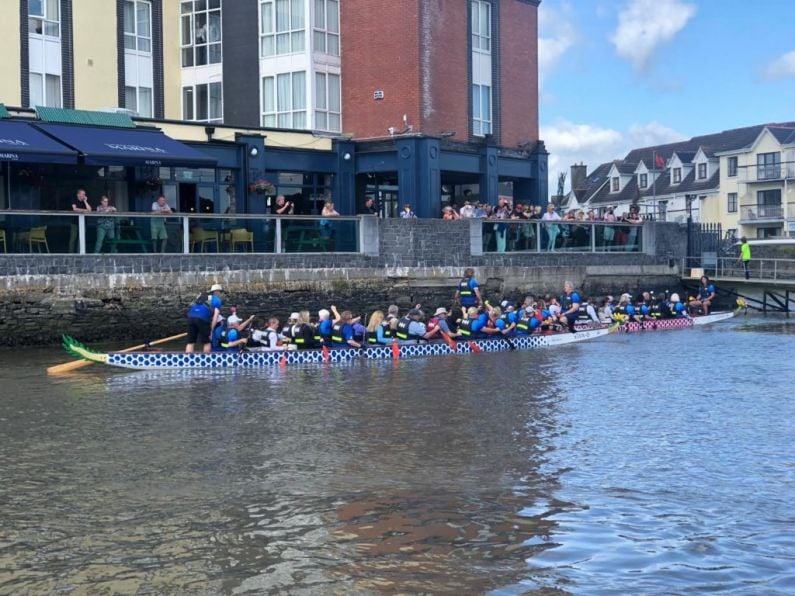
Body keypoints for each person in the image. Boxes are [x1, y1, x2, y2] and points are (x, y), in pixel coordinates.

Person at [186, 283, 224, 353]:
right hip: (203, 319)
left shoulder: (200, 296)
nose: (221, 294)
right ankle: (206, 360)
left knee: (190, 342)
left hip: (190, 317)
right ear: (217, 292)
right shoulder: (217, 300)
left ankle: (188, 359)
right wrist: (211, 330)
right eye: (220, 292)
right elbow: (215, 317)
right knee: (207, 342)